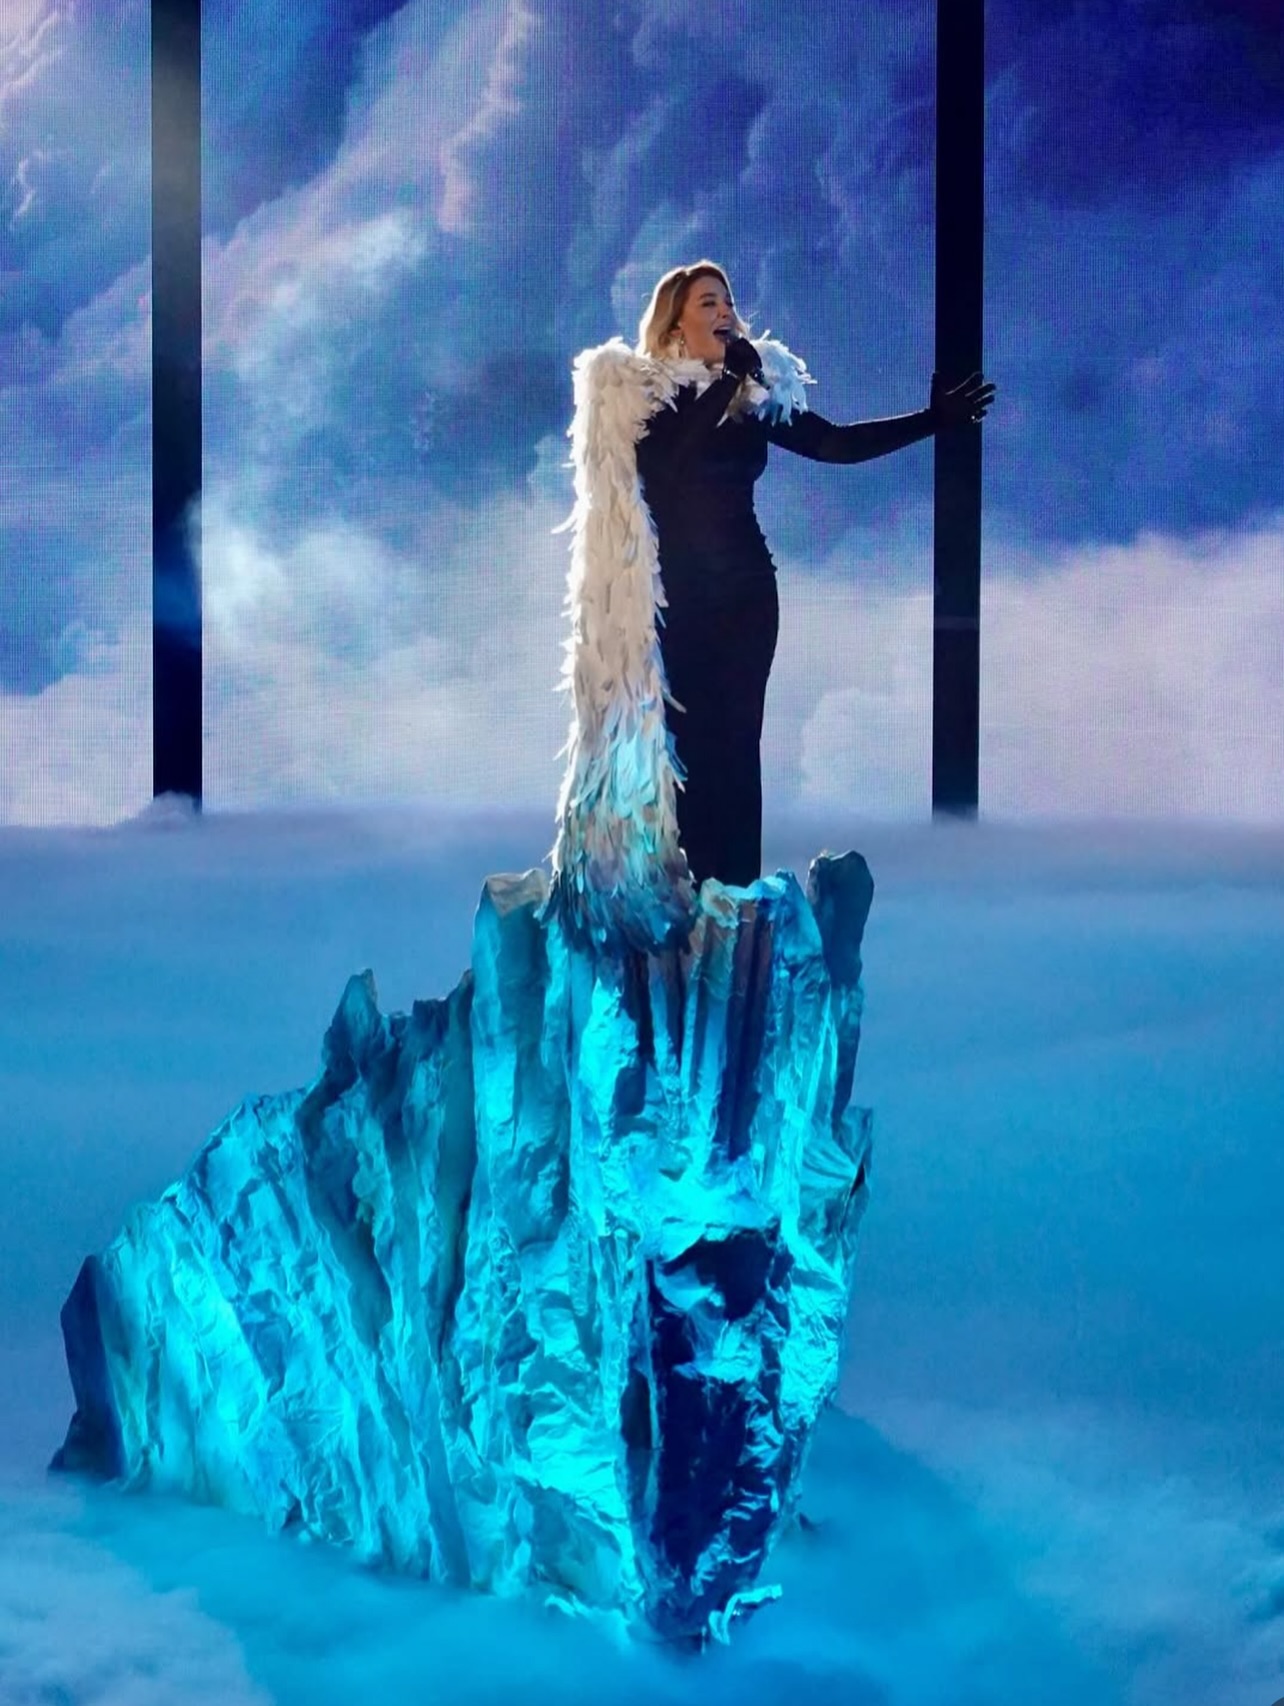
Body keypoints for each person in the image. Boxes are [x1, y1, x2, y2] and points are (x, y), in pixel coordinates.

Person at [545, 260, 994, 955]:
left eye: (728, 301)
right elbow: (666, 467)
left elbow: (834, 443)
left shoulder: (754, 397)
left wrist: (934, 420)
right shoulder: (638, 397)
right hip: (676, 604)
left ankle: (736, 910)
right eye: (707, 302)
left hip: (748, 596)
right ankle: (689, 912)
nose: (725, 311)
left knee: (739, 746)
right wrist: (727, 380)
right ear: (675, 321)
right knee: (692, 753)